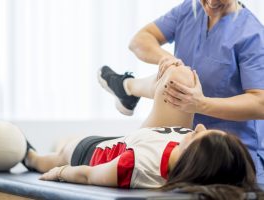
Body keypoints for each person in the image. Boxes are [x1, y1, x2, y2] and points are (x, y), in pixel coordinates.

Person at [21, 65, 259, 199]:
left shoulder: (136, 166)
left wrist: (61, 171)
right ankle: (126, 88)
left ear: (194, 159)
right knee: (180, 76)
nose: (200, 126)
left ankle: (33, 158)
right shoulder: (183, 146)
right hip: (141, 139)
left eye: (199, 135)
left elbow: (87, 175)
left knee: (61, 152)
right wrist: (168, 68)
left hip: (93, 153)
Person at [98, 0, 264, 183]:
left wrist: (202, 104)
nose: (209, 3)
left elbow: (260, 103)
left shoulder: (251, 34)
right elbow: (139, 41)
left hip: (231, 158)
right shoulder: (189, 9)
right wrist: (169, 61)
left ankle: (127, 87)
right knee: (178, 76)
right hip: (188, 151)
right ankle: (128, 87)